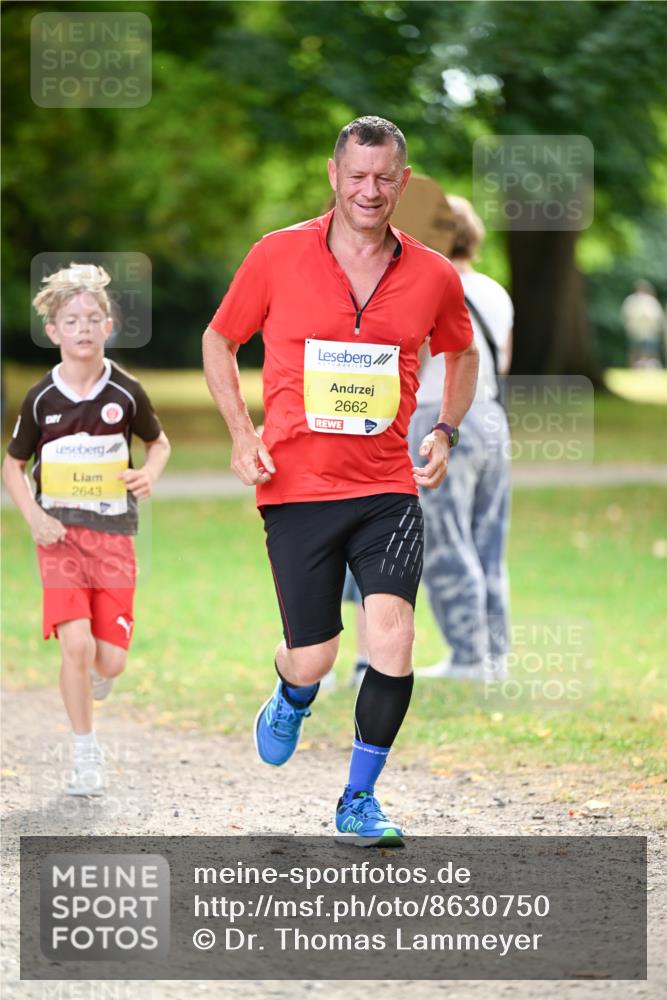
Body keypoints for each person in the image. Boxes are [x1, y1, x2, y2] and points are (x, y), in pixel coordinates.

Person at [202, 116, 478, 846]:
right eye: (356, 175)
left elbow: (462, 353)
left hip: (388, 485)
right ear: (333, 175)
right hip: (294, 485)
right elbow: (219, 339)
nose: (370, 190)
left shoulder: (432, 274)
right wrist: (239, 432)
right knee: (316, 655)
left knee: (391, 635)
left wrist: (444, 430)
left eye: (385, 177)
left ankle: (359, 799)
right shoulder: (277, 255)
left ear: (404, 183)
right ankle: (292, 692)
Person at [3, 264, 170, 796]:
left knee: (110, 660)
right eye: (70, 320)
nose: (82, 327)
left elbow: (159, 443)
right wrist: (34, 517)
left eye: (92, 318)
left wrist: (148, 474)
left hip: (115, 536)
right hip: (58, 537)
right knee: (73, 646)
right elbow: (12, 465)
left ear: (108, 327)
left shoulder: (127, 390)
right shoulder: (39, 399)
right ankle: (85, 756)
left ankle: (100, 677)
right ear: (53, 332)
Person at [408, 194, 513, 681]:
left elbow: (422, 357)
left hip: (441, 416)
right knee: (488, 540)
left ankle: (469, 658)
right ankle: (494, 654)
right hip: (491, 416)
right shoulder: (496, 291)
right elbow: (503, 361)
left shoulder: (430, 285)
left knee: (446, 539)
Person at [621, 280, 665, 369]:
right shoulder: (631, 300)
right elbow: (626, 314)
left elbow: (658, 316)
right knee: (634, 350)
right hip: (635, 330)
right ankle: (633, 367)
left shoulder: (651, 301)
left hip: (649, 331)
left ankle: (650, 368)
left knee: (651, 351)